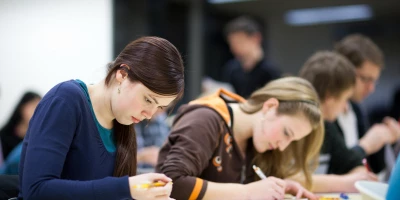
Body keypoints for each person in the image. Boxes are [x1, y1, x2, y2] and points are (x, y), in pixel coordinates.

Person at [18, 36, 185, 200]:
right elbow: (37, 190)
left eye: (159, 107)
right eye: (148, 100)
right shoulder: (66, 100)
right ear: (122, 74)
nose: (149, 114)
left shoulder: (123, 124)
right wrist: (127, 188)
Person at [156, 77, 324, 200]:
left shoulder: (257, 140)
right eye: (287, 133)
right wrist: (248, 192)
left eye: (291, 141)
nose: (282, 146)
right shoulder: (205, 119)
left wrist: (279, 187)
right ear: (270, 107)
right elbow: (171, 183)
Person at [334, 34, 400, 174]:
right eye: (366, 79)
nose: (371, 88)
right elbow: (334, 168)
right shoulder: (326, 111)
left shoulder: (355, 109)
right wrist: (367, 144)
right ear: (344, 70)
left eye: (374, 81)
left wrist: (388, 140)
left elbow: (374, 167)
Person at [221, 16, 281, 98]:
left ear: (256, 38)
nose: (234, 48)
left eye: (239, 42)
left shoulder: (270, 71)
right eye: (232, 44)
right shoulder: (231, 69)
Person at [0, 91, 41, 160]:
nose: (36, 112)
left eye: (39, 108)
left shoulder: (38, 139)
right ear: (22, 107)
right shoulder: (4, 135)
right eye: (33, 106)